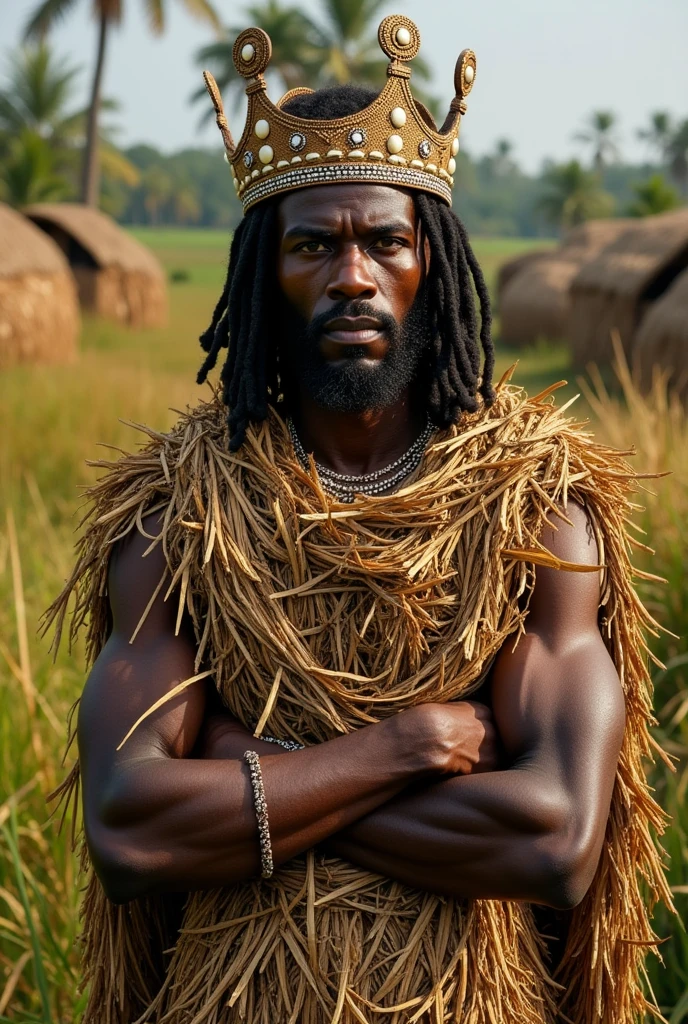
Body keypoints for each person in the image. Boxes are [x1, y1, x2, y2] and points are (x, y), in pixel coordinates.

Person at [48, 17, 670, 1024]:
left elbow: (553, 838)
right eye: (312, 245)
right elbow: (126, 832)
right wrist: (403, 748)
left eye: (385, 240)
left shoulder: (534, 514)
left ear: (432, 260)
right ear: (265, 273)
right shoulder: (176, 520)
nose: (351, 276)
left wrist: (245, 770)